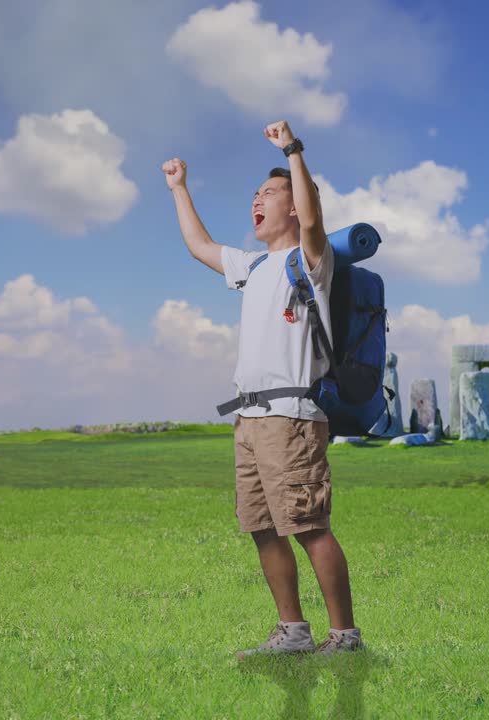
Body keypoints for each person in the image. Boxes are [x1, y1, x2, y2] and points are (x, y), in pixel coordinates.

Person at [162, 120, 364, 658]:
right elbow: (199, 245)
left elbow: (314, 219)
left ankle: (345, 637)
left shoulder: (311, 260)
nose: (257, 200)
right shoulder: (252, 266)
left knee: (308, 525)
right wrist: (179, 187)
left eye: (270, 193)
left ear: (294, 205)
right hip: (249, 420)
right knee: (263, 527)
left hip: (291, 418)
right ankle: (293, 631)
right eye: (256, 194)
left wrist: (291, 151)